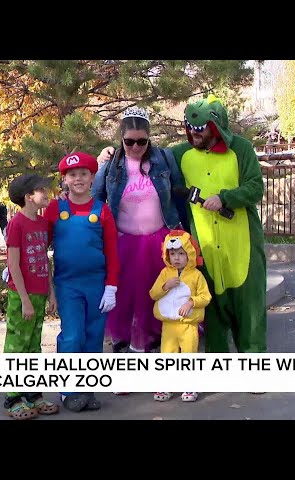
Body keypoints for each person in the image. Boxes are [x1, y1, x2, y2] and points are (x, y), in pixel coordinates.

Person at [101, 95, 267, 355]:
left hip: (234, 243)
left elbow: (255, 186)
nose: (193, 133)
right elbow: (107, 187)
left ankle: (253, 360)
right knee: (207, 306)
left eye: (199, 129)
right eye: (189, 127)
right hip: (188, 245)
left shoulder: (235, 149)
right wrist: (107, 153)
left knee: (247, 308)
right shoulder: (165, 156)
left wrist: (225, 198)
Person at [91, 106, 186, 356]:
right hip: (124, 246)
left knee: (159, 304)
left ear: (149, 137)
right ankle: (125, 364)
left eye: (141, 141)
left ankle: (157, 362)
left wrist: (187, 236)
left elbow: (179, 196)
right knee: (125, 308)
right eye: (129, 141)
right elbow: (95, 200)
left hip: (160, 244)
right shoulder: (110, 165)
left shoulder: (164, 159)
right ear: (121, 139)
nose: (135, 147)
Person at [43, 152, 120, 412]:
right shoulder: (55, 208)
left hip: (97, 285)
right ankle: (69, 391)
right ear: (65, 179)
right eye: (72, 175)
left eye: (83, 174)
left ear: (91, 178)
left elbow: (112, 251)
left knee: (93, 338)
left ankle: (87, 389)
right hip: (68, 285)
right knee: (73, 336)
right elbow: (38, 241)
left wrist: (111, 287)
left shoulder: (103, 210)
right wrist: (17, 264)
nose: (78, 179)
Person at [3, 173, 60, 420]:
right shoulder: (17, 224)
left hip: (38, 293)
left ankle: (33, 394)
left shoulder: (41, 223)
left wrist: (51, 292)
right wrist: (25, 300)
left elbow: (44, 261)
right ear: (29, 197)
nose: (47, 194)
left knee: (34, 346)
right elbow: (13, 265)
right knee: (17, 345)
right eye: (42, 190)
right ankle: (12, 398)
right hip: (21, 296)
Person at [149, 230, 211, 403]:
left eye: (181, 253)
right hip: (169, 325)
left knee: (189, 354)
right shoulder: (164, 274)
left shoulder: (196, 275)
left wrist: (191, 302)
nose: (176, 258)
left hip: (188, 326)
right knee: (167, 355)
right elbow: (153, 294)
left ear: (189, 254)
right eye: (173, 253)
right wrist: (165, 286)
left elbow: (206, 297)